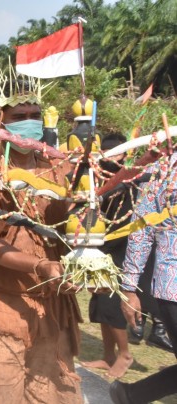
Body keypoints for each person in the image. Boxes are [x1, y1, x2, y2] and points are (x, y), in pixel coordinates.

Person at [0, 96, 82, 402]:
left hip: (52, 304)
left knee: (52, 393)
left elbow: (73, 230)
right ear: (0, 124)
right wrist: (38, 266)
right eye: (20, 115)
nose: (29, 122)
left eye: (35, 115)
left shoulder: (59, 170)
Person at [110, 151, 177, 403]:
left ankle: (130, 395)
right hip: (173, 285)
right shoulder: (164, 168)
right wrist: (129, 288)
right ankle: (130, 395)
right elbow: (141, 230)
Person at [82, 134, 135, 378]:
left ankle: (125, 354)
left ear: (125, 153)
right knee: (99, 303)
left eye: (115, 152)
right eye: (106, 152)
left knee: (112, 303)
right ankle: (108, 355)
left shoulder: (133, 175)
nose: (110, 156)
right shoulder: (95, 172)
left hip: (121, 245)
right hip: (98, 242)